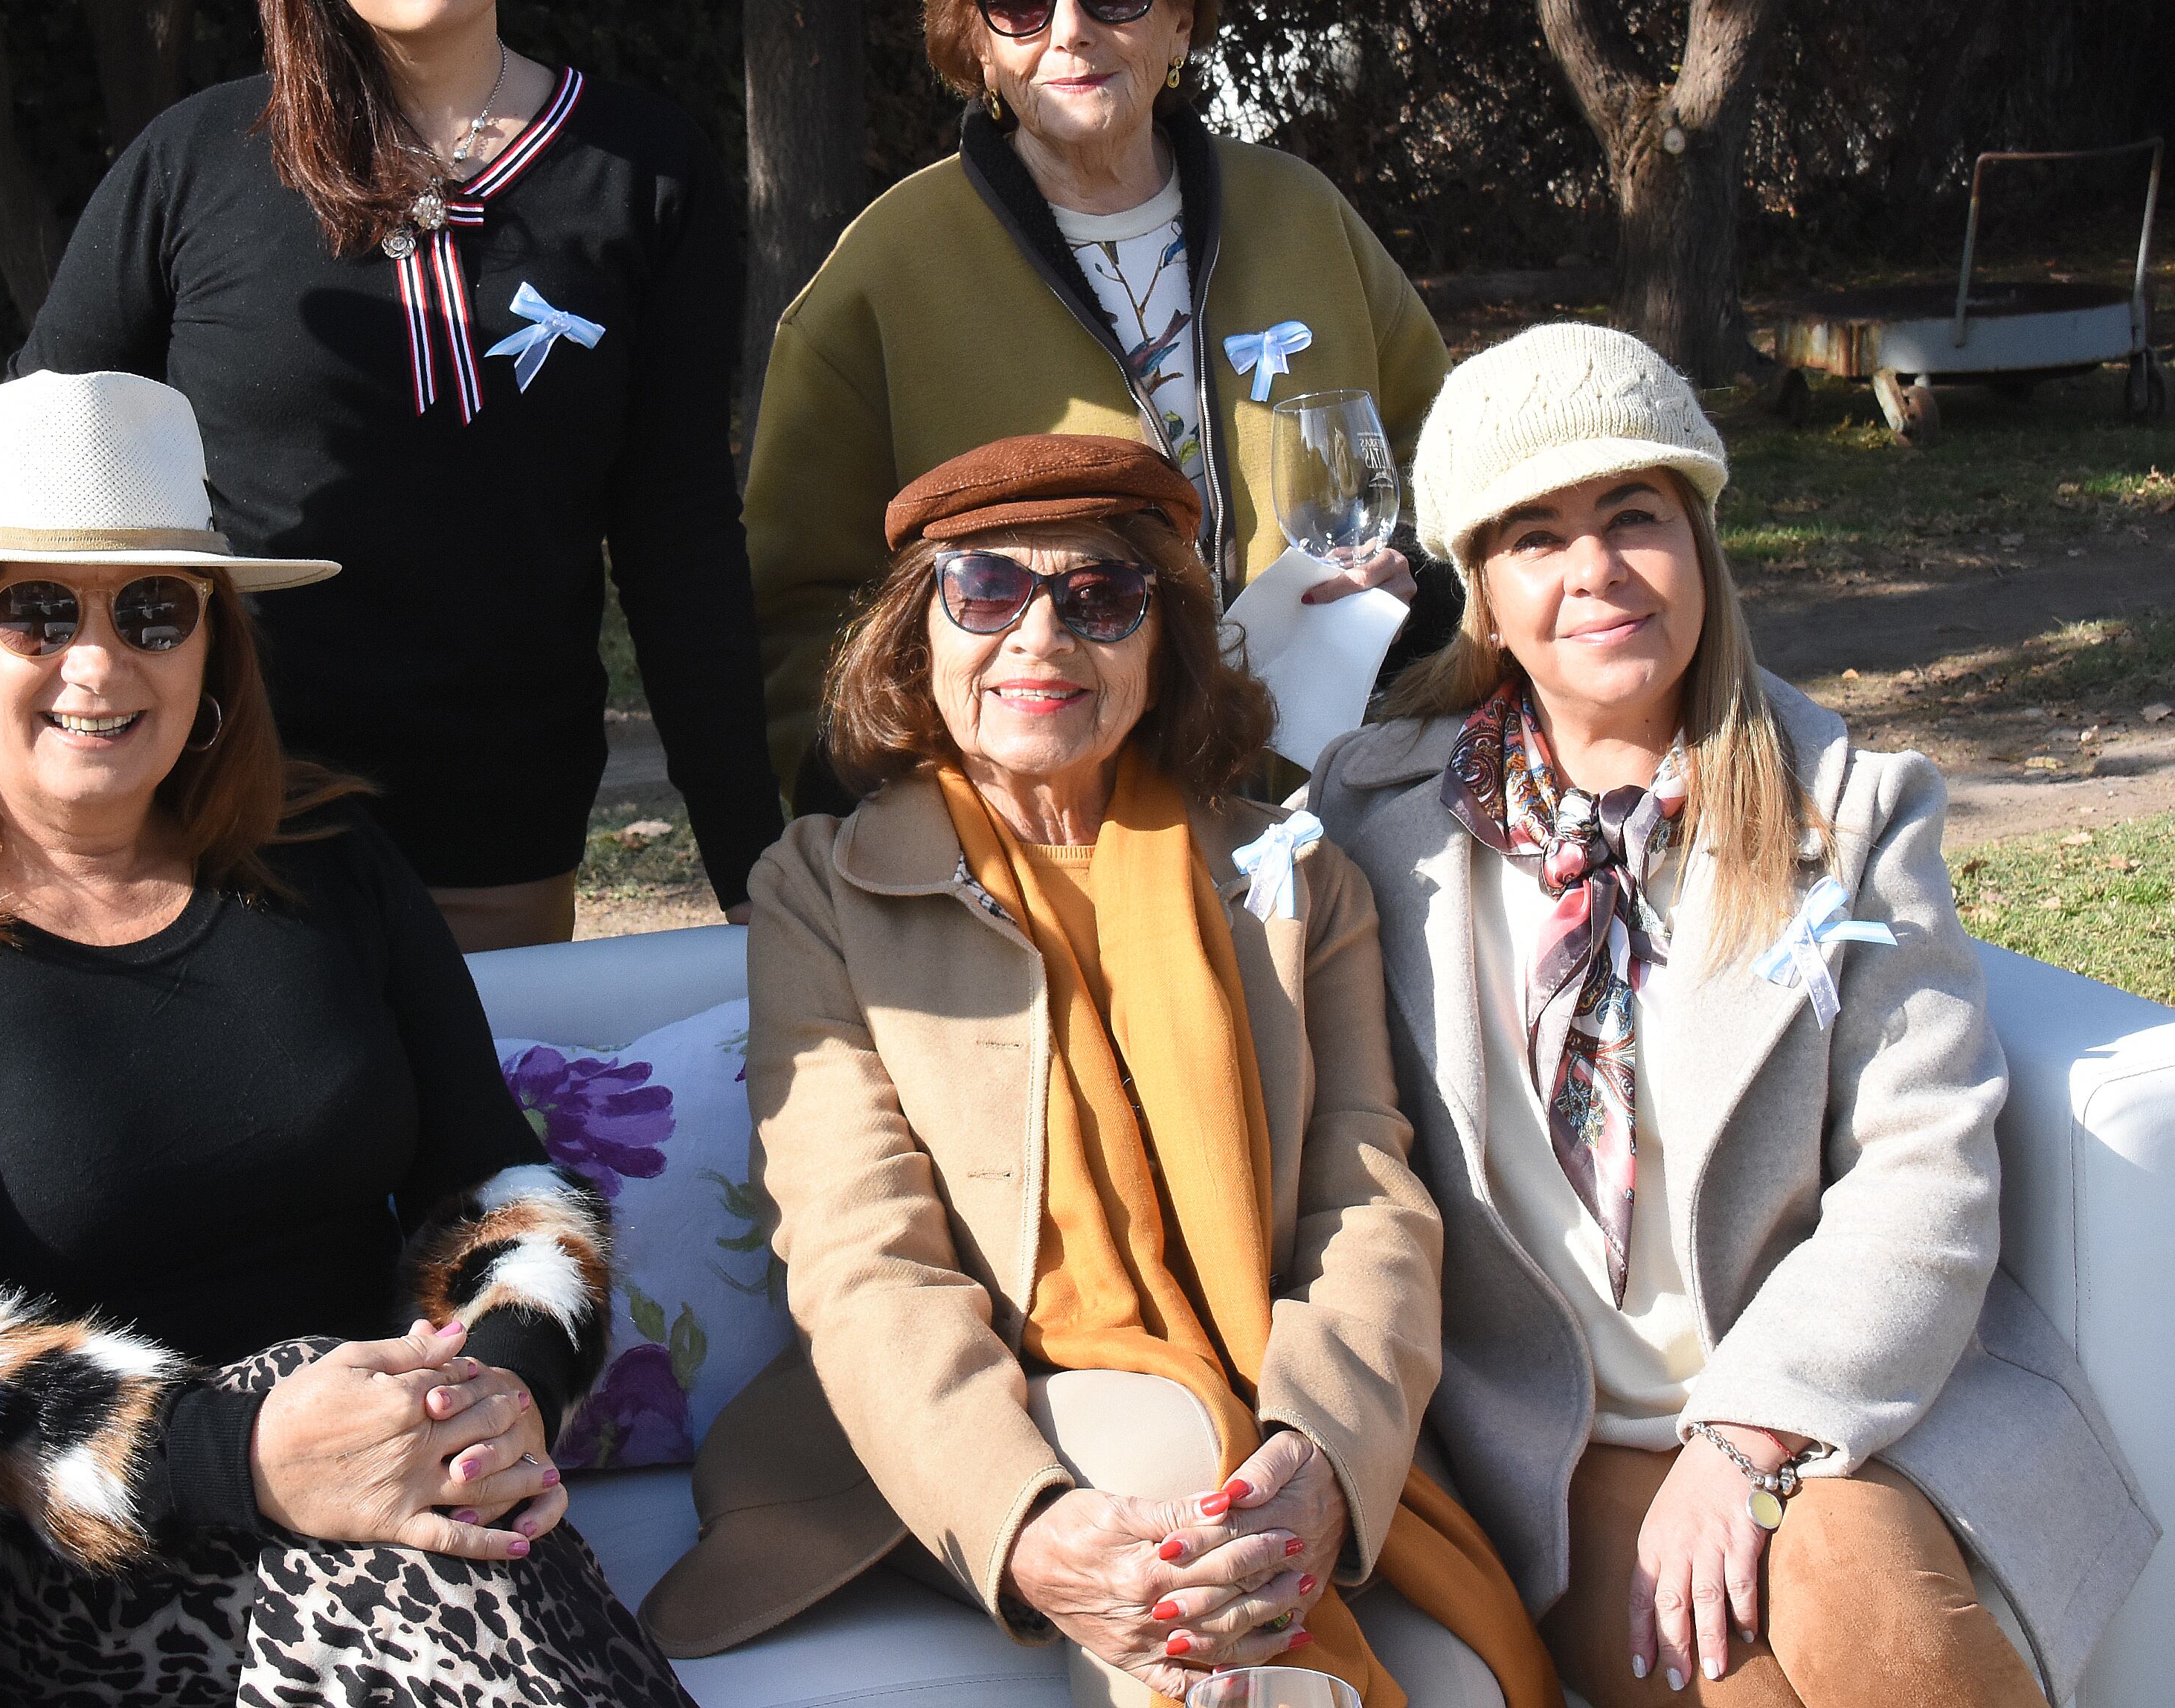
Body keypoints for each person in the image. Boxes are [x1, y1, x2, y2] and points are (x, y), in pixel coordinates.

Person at [0, 368, 695, 1707]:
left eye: (154, 611)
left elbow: (499, 1183)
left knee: (448, 1542)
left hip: (400, 1466)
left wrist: (499, 1384)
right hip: (69, 1561)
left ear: (213, 654)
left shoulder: (334, 864)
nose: (99, 661)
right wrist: (244, 1450)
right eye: (37, 612)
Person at [640, 434, 1560, 1708]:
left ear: (1160, 641)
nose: (1039, 637)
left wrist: (1324, 1459)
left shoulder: (1293, 883)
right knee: (1173, 1498)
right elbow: (863, 1258)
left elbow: (1367, 1204)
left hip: (1266, 1397)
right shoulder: (819, 887)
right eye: (983, 591)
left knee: (1459, 1680)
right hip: (970, 1428)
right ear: (917, 637)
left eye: (1100, 598)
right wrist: (1017, 1523)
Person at [1308, 326, 2153, 1707]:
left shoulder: (1848, 810)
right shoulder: (1373, 819)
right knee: (1735, 1684)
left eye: (1631, 516)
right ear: (1482, 592)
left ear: (1697, 539)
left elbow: (1923, 1169)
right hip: (1558, 1442)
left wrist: (1745, 1437)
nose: (1594, 571)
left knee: (1868, 1603)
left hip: (1825, 1404)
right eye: (1535, 536)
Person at [15, 0, 779, 951]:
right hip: (212, 830)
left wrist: (750, 855)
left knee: (489, 1141)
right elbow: (34, 489)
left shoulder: (648, 172)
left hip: (503, 839)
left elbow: (675, 532)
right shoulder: (194, 164)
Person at [747, 0, 1453, 810]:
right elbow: (795, 608)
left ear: (1179, 13)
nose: (1069, 31)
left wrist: (1407, 616)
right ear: (970, 34)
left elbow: (1451, 472)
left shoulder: (1301, 216)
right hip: (1031, 845)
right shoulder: (883, 269)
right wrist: (917, 798)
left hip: (1327, 812)